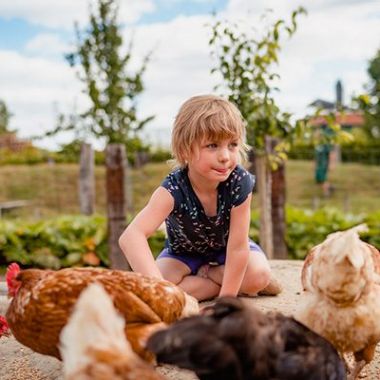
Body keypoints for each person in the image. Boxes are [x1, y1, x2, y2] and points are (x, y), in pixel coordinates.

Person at [119, 95, 278, 301]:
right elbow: (131, 237)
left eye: (232, 145)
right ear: (186, 150)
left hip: (227, 251)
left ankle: (211, 277)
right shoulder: (173, 188)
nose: (225, 156)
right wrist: (159, 291)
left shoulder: (239, 182)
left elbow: (238, 248)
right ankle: (214, 285)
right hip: (182, 254)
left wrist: (226, 301)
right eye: (212, 145)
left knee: (259, 276)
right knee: (149, 286)